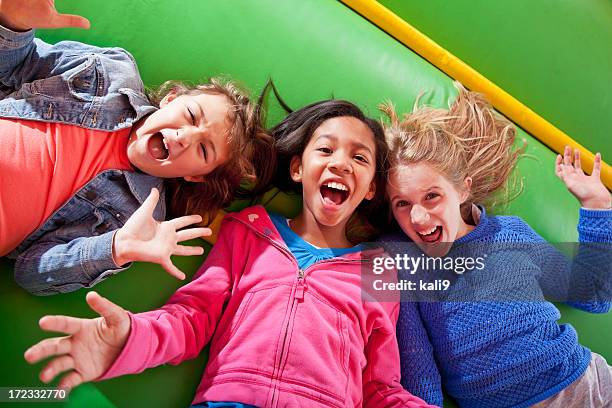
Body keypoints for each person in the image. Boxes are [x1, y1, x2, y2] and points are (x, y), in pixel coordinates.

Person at [24, 100, 436, 407]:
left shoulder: (379, 271)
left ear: (370, 190)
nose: (341, 164)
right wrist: (129, 339)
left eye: (359, 158)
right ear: (297, 169)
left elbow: (381, 388)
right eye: (325, 150)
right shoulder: (247, 232)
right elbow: (192, 318)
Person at [0, 0, 274, 295]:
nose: (184, 137)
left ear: (197, 175)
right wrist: (13, 25)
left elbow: (31, 272)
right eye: (192, 115)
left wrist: (116, 248)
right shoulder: (111, 72)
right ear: (171, 99)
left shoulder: (140, 219)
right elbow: (17, 66)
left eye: (204, 150)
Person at [380, 83, 612, 407]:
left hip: (583, 387)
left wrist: (597, 206)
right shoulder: (406, 266)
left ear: (462, 190)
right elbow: (418, 364)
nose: (418, 217)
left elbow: (594, 295)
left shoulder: (510, 235)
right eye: (402, 204)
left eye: (432, 196)